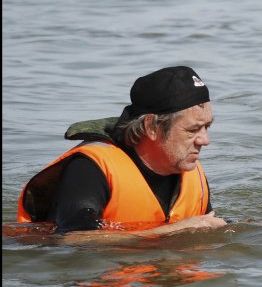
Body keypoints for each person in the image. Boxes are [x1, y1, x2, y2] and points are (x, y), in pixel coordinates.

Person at [16, 66, 227, 238]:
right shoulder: (90, 168)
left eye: (206, 127)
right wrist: (174, 231)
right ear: (151, 127)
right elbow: (73, 239)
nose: (205, 140)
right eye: (192, 130)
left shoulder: (191, 172)